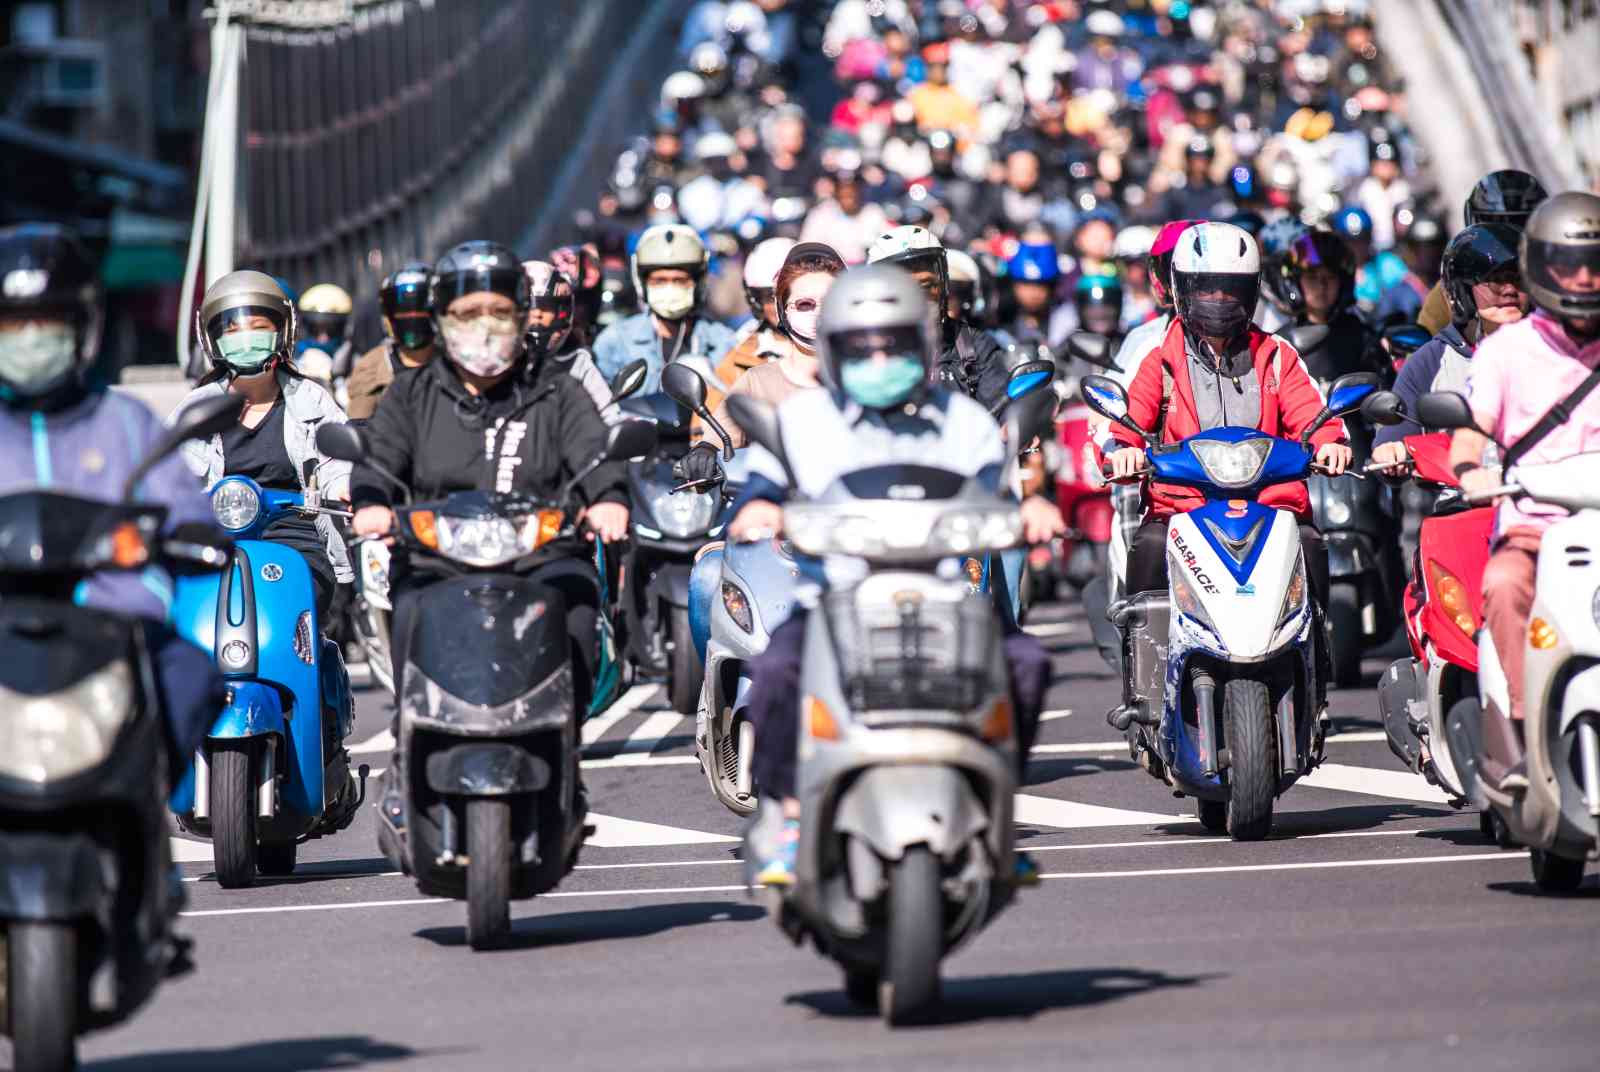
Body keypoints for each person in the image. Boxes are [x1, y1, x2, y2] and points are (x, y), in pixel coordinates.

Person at [728, 265, 1063, 885]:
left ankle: (995, 807)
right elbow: (764, 475)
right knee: (773, 672)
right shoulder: (808, 420)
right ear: (836, 349)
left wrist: (1032, 506)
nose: (879, 358)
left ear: (921, 342)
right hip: (836, 596)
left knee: (1026, 663)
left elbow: (999, 484)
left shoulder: (961, 422)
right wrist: (758, 503)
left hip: (945, 593)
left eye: (894, 343)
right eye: (863, 345)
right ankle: (787, 814)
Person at [350, 241, 631, 726]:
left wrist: (608, 497)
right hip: (436, 562)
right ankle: (409, 744)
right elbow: (378, 457)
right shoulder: (409, 394)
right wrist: (371, 501)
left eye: (499, 313)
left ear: (524, 316)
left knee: (581, 608)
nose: (484, 327)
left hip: (543, 557)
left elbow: (594, 447)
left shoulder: (558, 389)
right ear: (441, 319)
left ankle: (566, 741)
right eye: (468, 313)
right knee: (408, 610)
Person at [0, 223, 224, 784]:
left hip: (116, 629)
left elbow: (184, 507)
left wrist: (189, 535)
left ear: (85, 328)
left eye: (47, 323)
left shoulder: (125, 423)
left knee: (193, 673)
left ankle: (146, 810)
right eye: (14, 325)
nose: (31, 340)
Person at [1103, 222, 1351, 711]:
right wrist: (1122, 452)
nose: (1218, 300)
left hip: (1270, 507)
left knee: (1312, 544)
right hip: (1181, 510)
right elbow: (1125, 426)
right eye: (1206, 288)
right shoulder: (1161, 360)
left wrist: (1330, 443)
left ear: (1254, 291)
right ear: (1181, 290)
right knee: (1147, 546)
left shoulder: (1277, 356)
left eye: (1230, 289)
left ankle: (1314, 676)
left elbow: (1313, 414)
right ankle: (1143, 687)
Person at [1449, 193, 1600, 754]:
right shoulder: (1505, 351)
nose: (1583, 279)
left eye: (1594, 264)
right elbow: (1472, 430)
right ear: (1541, 268)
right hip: (1534, 527)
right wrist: (1469, 471)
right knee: (1504, 585)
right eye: (1568, 264)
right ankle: (1520, 728)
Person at [172, 270, 354, 624]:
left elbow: (337, 463)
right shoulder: (197, 409)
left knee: (289, 612)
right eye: (233, 330)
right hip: (216, 540)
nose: (246, 338)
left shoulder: (312, 400)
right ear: (212, 339)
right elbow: (167, 477)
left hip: (294, 539)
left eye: (258, 326)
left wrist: (345, 486)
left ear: (282, 331)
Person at [1371, 224, 1528, 467]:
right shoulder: (1430, 361)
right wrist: (1392, 450)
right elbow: (1394, 437)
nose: (1509, 290)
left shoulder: (1554, 350)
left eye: (1517, 279)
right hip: (1459, 498)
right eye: (1496, 280)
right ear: (1462, 290)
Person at [681, 242, 843, 471]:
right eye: (805, 304)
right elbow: (719, 434)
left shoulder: (866, 371)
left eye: (829, 302)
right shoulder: (755, 379)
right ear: (783, 309)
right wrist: (706, 450)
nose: (817, 314)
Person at [866, 224, 1009, 408]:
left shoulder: (974, 347)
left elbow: (1002, 415)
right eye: (904, 288)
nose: (917, 297)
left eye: (926, 286)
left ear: (943, 285)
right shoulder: (863, 351)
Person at [592, 223, 737, 392]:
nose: (670, 288)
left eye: (680, 280)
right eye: (659, 281)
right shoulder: (615, 342)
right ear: (642, 283)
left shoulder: (723, 342)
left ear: (698, 283)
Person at [1417, 170, 1549, 334]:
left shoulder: (1561, 278)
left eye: (1521, 224)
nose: (1506, 241)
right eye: (1493, 227)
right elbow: (1424, 343)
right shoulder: (1456, 286)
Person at [523, 260, 625, 427]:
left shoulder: (577, 364)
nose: (536, 315)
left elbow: (609, 418)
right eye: (528, 306)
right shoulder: (493, 363)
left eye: (545, 307)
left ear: (563, 312)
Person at [1279, 229, 1383, 384]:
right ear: (1295, 283)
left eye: (1330, 277)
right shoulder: (1281, 343)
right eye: (1312, 277)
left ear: (1343, 283)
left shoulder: (1362, 337)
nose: (1322, 286)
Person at [348, 262, 436, 421]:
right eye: (403, 312)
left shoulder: (456, 360)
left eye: (419, 310)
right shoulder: (372, 367)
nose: (412, 318)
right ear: (387, 316)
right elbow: (359, 428)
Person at [294, 282, 355, 386]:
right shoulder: (291, 365)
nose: (323, 338)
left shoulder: (355, 362)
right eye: (315, 329)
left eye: (331, 330)